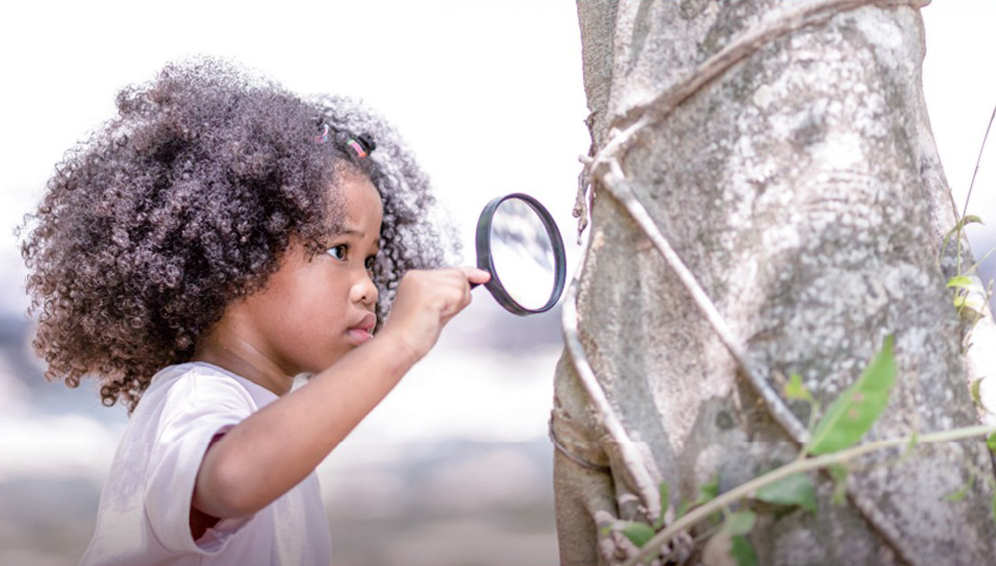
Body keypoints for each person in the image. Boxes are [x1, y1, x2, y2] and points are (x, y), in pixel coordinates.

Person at [19, 57, 489, 566]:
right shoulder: (196, 397)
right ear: (237, 256)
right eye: (339, 251)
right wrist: (400, 345)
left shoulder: (270, 420)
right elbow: (232, 479)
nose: (369, 289)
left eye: (370, 260)